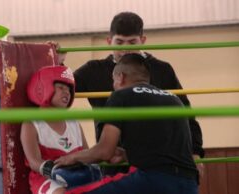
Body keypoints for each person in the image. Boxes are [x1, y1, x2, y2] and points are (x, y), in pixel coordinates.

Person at [73, 11, 204, 165]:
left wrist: (195, 152)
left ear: (143, 40)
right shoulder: (93, 70)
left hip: (157, 162)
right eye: (119, 42)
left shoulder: (162, 69)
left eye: (132, 42)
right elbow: (61, 88)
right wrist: (56, 61)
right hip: (113, 162)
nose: (125, 48)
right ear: (109, 41)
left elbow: (185, 113)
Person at [55, 53, 199, 194]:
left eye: (113, 80)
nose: (114, 85)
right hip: (189, 184)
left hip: (151, 180)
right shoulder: (174, 100)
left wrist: (72, 157)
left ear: (120, 77)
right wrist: (128, 155)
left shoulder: (121, 95)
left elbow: (105, 152)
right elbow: (167, 152)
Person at [20, 66, 101, 194]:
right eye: (61, 88)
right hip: (46, 178)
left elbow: (86, 153)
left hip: (77, 173)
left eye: (69, 89)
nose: (67, 92)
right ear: (42, 88)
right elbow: (34, 161)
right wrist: (56, 171)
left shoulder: (73, 123)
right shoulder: (32, 123)